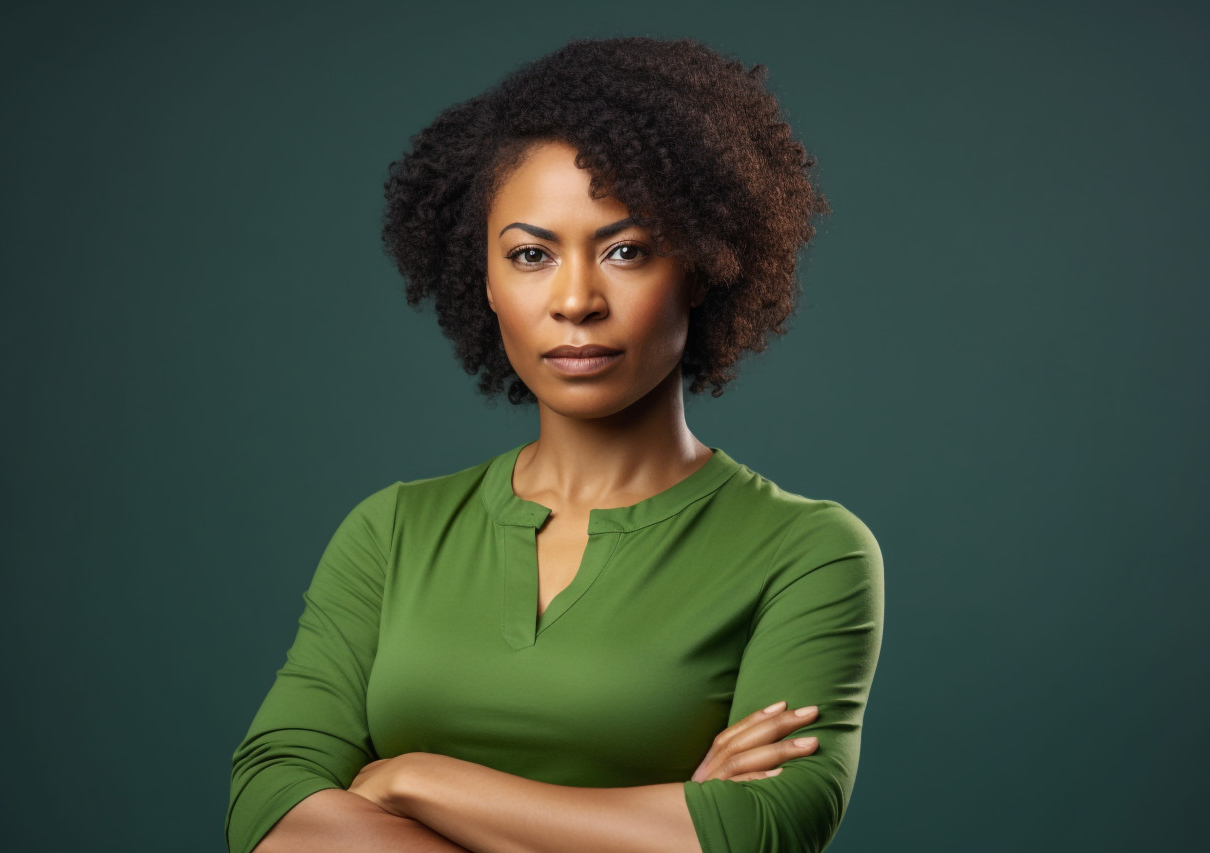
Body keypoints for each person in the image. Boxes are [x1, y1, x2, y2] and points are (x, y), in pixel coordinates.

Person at [226, 37, 884, 853]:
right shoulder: (391, 533)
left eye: (626, 251)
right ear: (487, 280)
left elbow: (759, 832)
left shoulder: (808, 552)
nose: (576, 299)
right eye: (531, 255)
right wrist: (658, 820)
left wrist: (412, 779)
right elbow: (272, 805)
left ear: (704, 265)